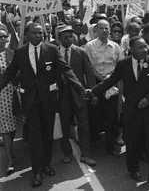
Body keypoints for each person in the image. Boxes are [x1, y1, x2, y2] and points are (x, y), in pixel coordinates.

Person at [0, 22, 86, 187]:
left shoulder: (52, 50)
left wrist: (81, 88)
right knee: (34, 137)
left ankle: (46, 164)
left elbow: (66, 70)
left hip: (48, 100)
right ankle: (36, 171)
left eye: (41, 33)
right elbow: (9, 73)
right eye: (35, 33)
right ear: (27, 35)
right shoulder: (20, 53)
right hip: (30, 102)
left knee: (48, 135)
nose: (39, 36)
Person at [86, 36, 149, 185]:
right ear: (131, 49)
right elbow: (111, 80)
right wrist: (93, 91)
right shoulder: (123, 64)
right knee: (132, 143)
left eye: (145, 47)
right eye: (140, 47)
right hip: (131, 111)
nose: (144, 50)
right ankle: (133, 169)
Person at [56, 25, 97, 167]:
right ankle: (67, 152)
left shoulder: (80, 52)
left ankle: (86, 154)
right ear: (59, 38)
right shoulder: (53, 52)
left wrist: (93, 92)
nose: (69, 39)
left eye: (71, 36)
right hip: (63, 93)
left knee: (83, 124)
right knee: (65, 124)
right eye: (65, 37)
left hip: (80, 93)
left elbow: (89, 74)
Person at [84, 19, 121, 157]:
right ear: (96, 30)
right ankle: (93, 143)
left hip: (112, 86)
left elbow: (118, 66)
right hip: (96, 86)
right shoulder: (89, 46)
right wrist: (102, 80)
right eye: (101, 28)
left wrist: (110, 79)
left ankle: (110, 147)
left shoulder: (115, 46)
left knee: (111, 118)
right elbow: (88, 67)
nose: (104, 31)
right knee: (95, 115)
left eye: (107, 28)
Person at [0, 27, 16, 175]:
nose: (3, 40)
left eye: (5, 37)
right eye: (0, 37)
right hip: (1, 96)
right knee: (5, 127)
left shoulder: (11, 53)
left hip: (14, 93)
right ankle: (10, 158)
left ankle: (10, 147)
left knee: (14, 125)